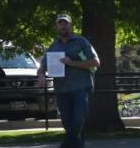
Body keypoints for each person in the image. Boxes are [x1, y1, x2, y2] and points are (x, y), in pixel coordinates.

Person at [35, 15, 98, 148]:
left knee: (78, 119)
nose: (63, 26)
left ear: (70, 25)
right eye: (60, 23)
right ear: (57, 26)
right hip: (62, 90)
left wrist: (72, 63)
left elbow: (95, 62)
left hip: (81, 87)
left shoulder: (81, 42)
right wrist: (41, 76)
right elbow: (42, 68)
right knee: (67, 123)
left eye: (66, 23)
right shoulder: (53, 47)